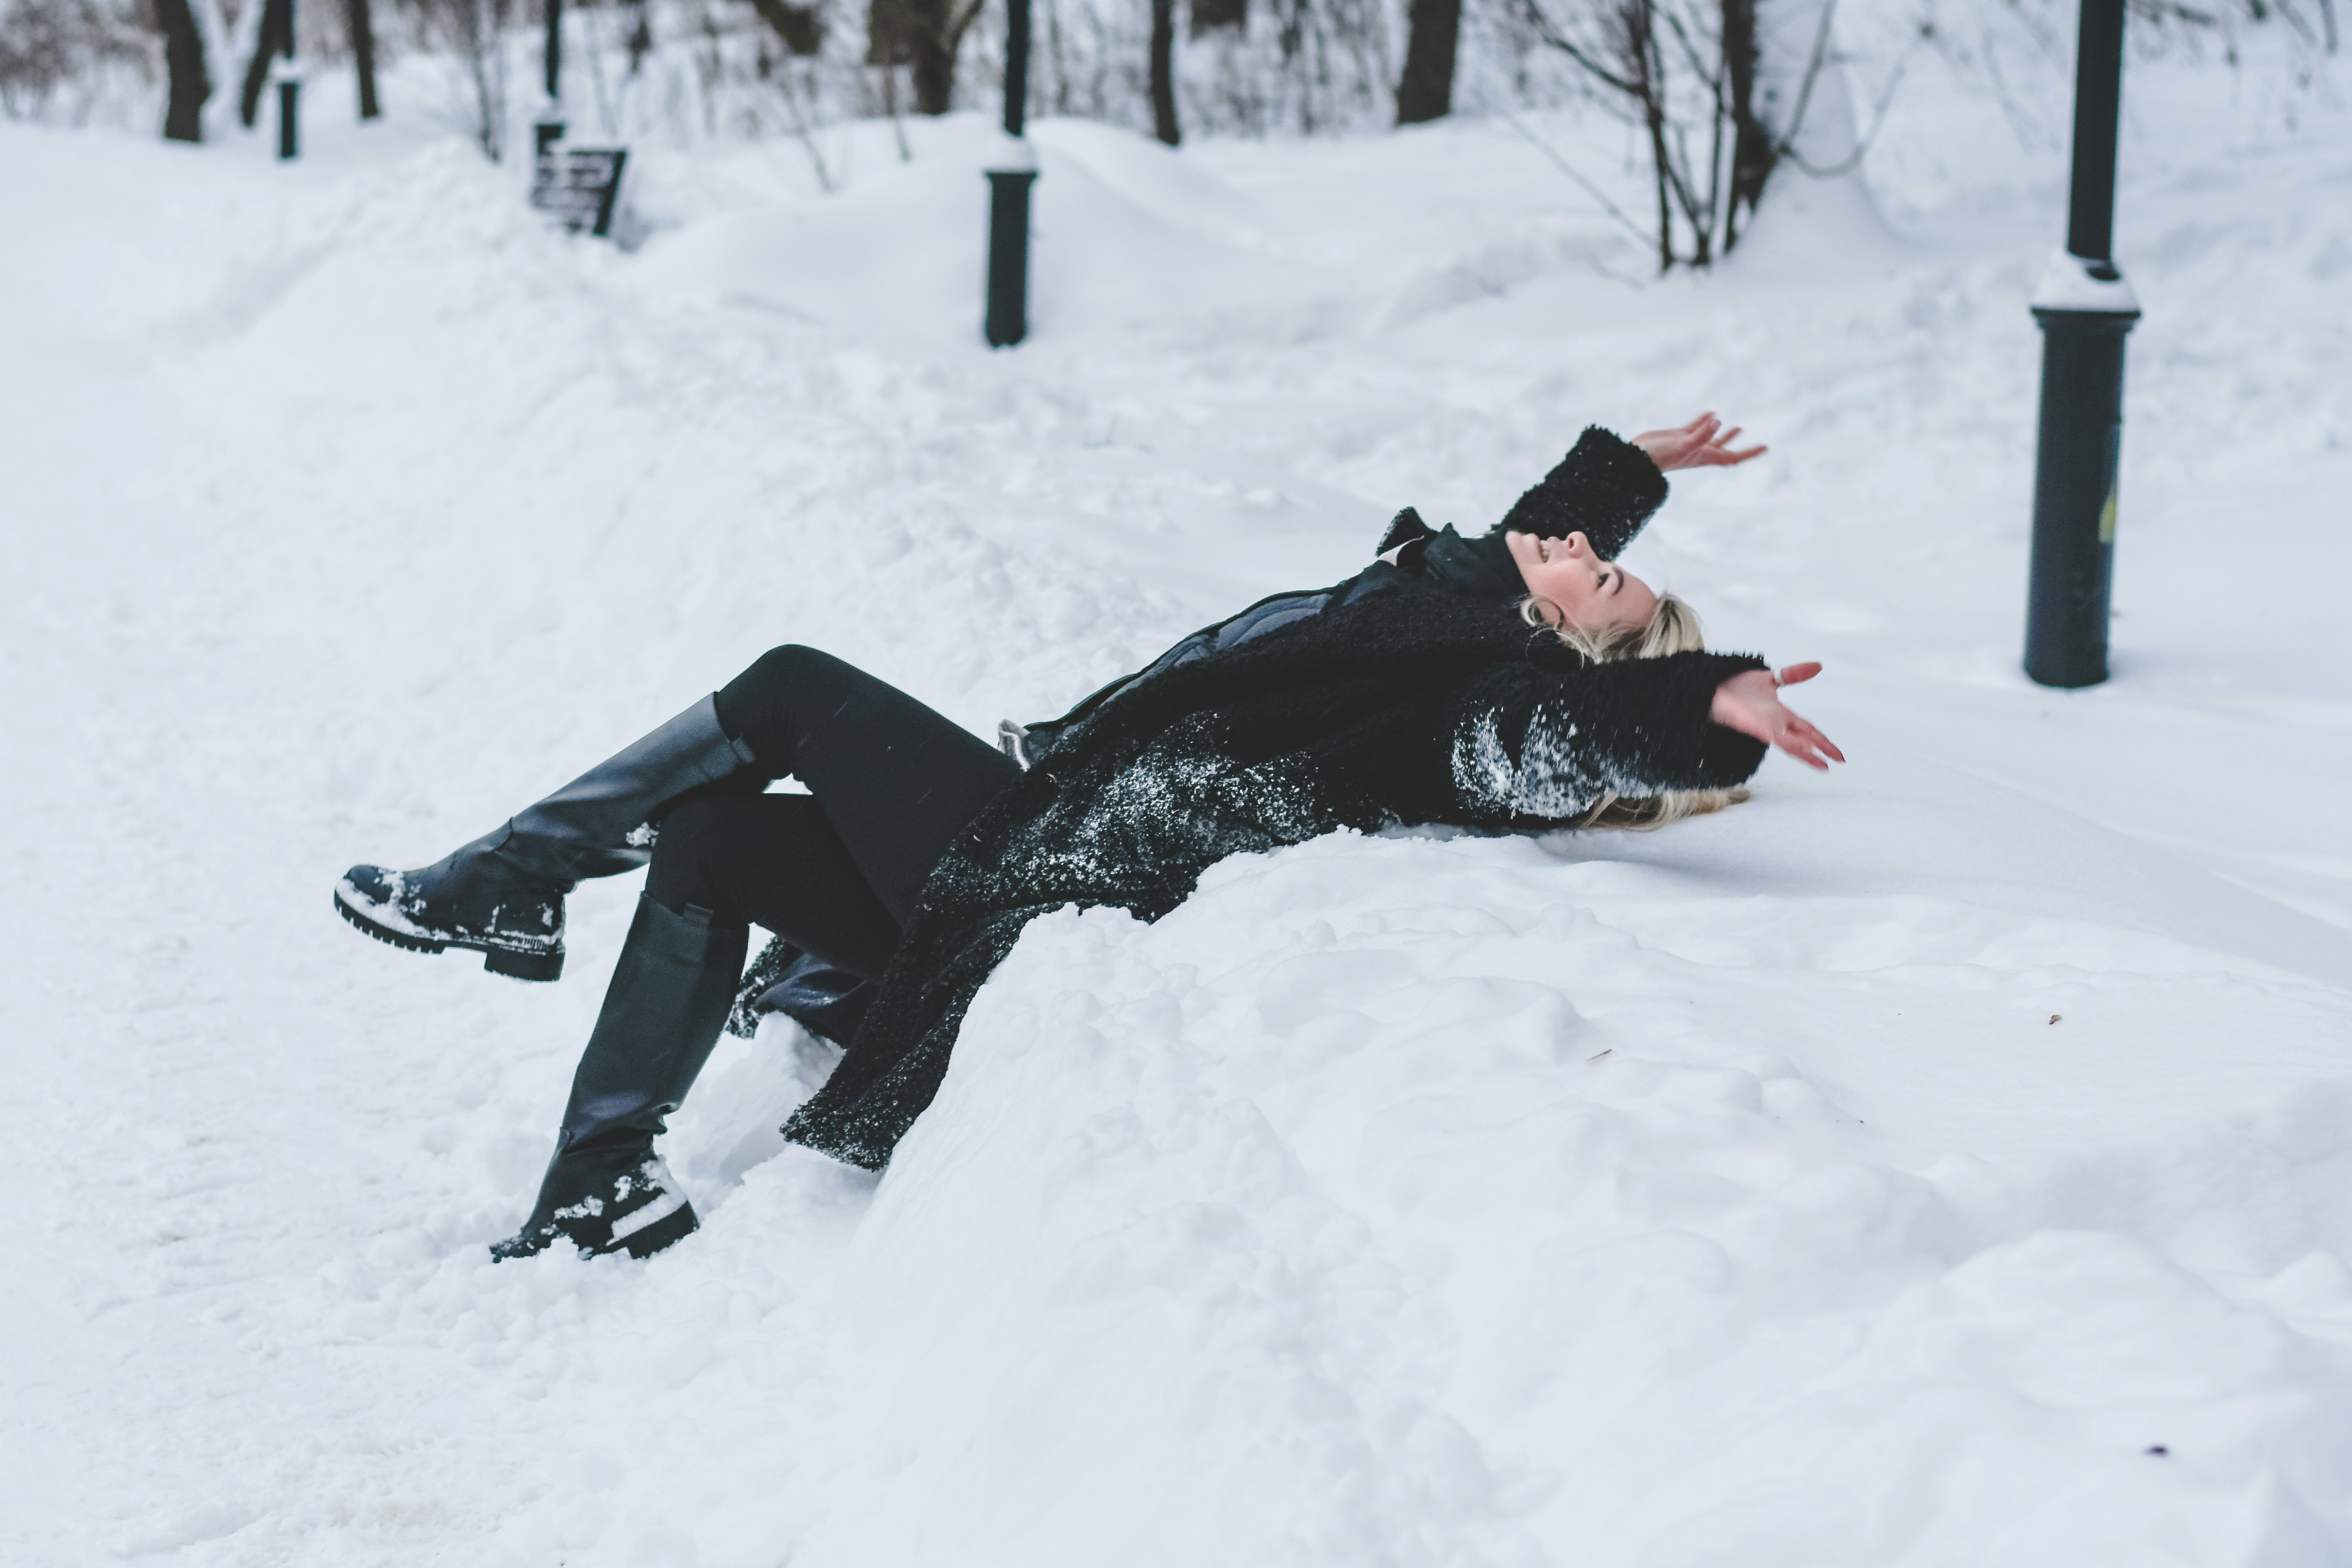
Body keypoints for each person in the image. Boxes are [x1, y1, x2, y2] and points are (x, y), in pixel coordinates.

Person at [335, 415, 1843, 1261]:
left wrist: (1705, 714)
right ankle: (598, 1178)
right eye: (1590, 547)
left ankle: (510, 881)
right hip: (1026, 848)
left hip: (1044, 883)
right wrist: (1623, 478)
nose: (1581, 552)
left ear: (1565, 655)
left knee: (791, 688)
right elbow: (1493, 554)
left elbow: (1545, 739)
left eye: (1604, 582)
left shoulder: (1456, 715)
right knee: (719, 838)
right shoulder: (1433, 609)